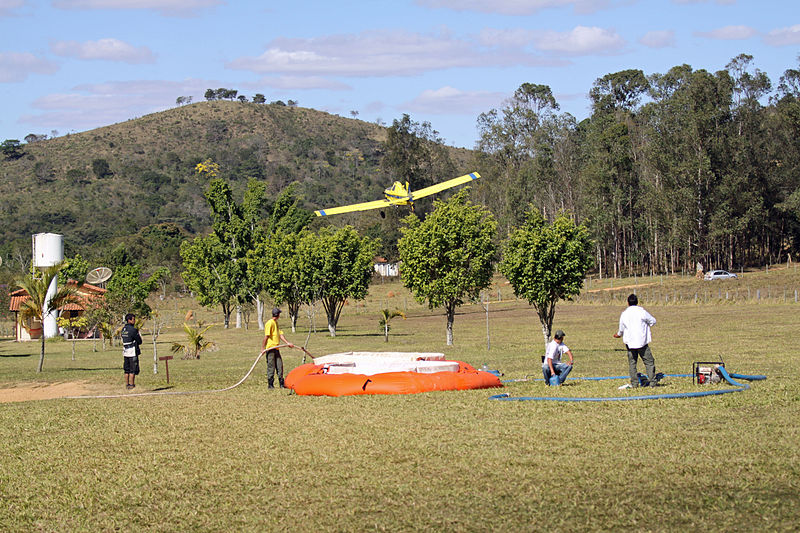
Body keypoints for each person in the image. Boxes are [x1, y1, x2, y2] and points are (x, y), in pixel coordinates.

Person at [614, 293, 658, 388]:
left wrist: (618, 335)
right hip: (642, 342)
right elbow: (653, 321)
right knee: (649, 362)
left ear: (628, 303)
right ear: (637, 302)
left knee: (632, 363)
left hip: (630, 343)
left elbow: (621, 329)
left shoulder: (624, 314)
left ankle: (634, 383)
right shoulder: (642, 312)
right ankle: (652, 383)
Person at [261, 308, 294, 389]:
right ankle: (270, 385)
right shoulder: (270, 323)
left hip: (276, 349)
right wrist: (262, 348)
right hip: (270, 349)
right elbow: (266, 336)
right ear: (277, 315)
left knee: (279, 366)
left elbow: (280, 335)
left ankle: (281, 384)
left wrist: (287, 343)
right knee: (271, 366)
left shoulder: (276, 323)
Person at [121, 313, 142, 390]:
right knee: (133, 369)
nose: (134, 320)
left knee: (126, 369)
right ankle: (132, 385)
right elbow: (139, 341)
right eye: (133, 319)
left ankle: (127, 384)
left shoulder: (123, 329)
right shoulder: (133, 330)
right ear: (129, 320)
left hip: (125, 352)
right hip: (132, 352)